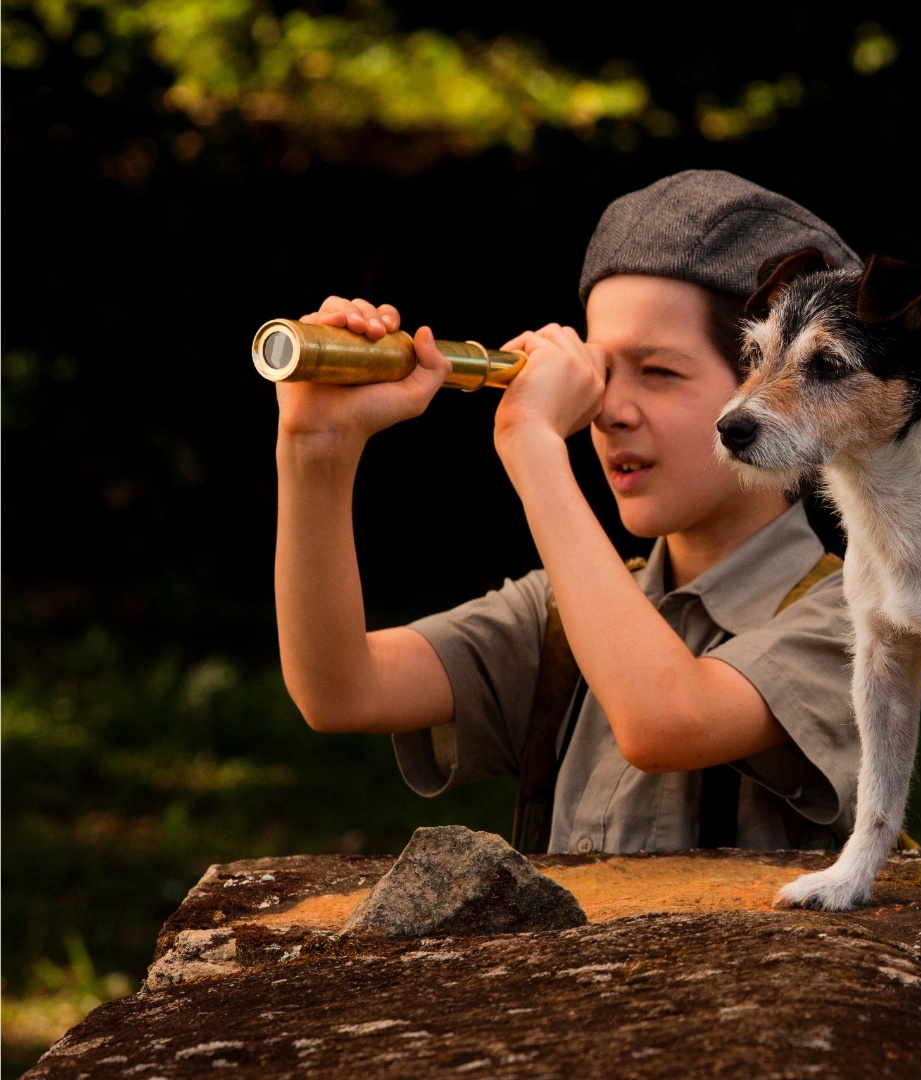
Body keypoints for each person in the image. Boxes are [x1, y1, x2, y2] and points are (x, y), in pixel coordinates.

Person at [273, 171, 862, 853]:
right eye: (600, 372)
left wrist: (531, 444)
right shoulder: (560, 618)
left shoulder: (855, 618)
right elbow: (340, 690)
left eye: (660, 372)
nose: (608, 411)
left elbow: (664, 721)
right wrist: (316, 448)